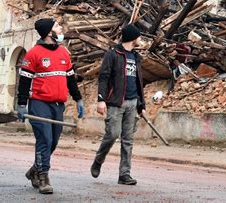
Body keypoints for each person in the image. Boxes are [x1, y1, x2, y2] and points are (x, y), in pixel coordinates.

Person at [17, 18, 85, 194]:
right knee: (45, 140)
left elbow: (70, 79)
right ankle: (43, 178)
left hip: (58, 105)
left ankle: (35, 170)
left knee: (53, 142)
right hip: (39, 104)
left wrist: (78, 99)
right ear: (49, 32)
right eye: (57, 26)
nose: (60, 28)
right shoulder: (33, 54)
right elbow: (24, 82)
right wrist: (22, 104)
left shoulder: (64, 53)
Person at [90, 24, 146, 185]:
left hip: (132, 102)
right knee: (113, 134)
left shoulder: (136, 57)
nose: (141, 39)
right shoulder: (113, 54)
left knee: (128, 140)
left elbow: (138, 81)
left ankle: (124, 174)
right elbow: (103, 77)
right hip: (116, 102)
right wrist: (101, 99)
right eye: (139, 36)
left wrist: (141, 104)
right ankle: (98, 160)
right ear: (133, 38)